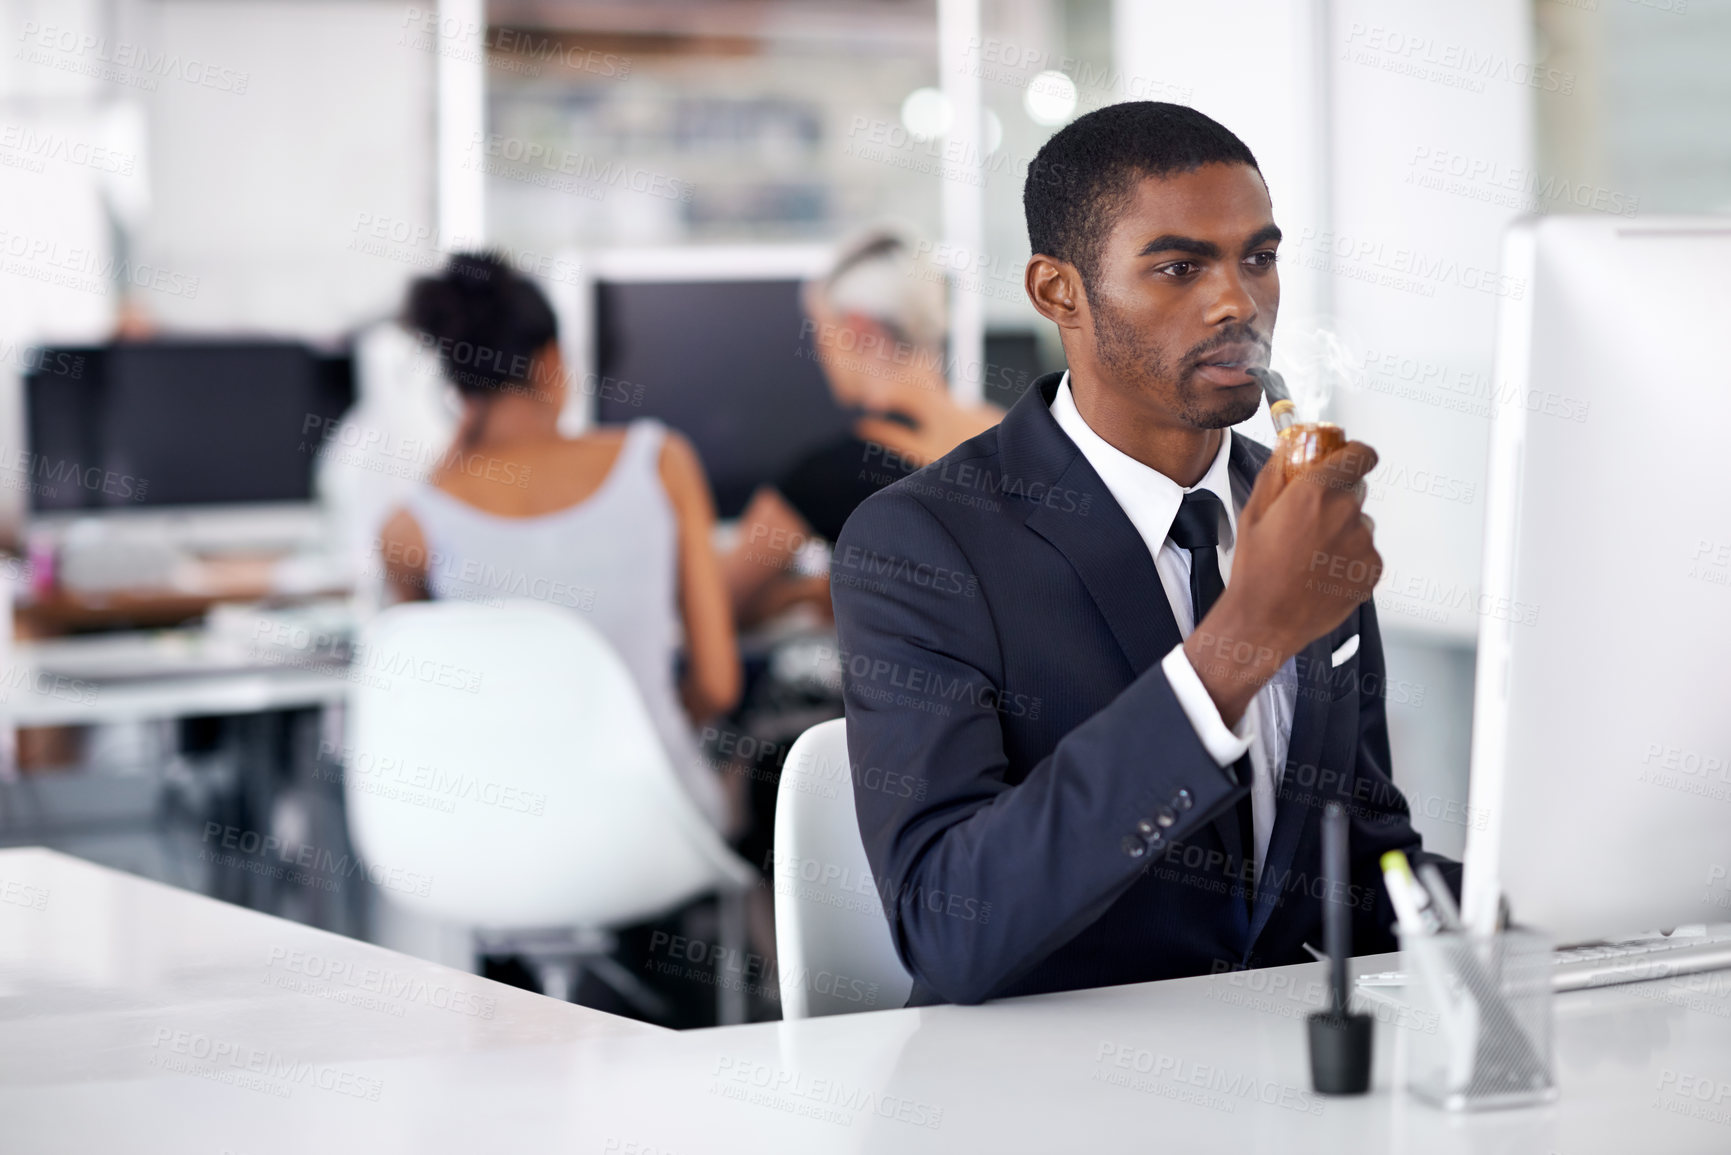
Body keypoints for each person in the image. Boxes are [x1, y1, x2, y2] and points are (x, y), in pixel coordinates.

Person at [830, 102, 1458, 1007]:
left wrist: (1545, 911)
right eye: (1177, 266)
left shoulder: (1292, 509)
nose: (1238, 301)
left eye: (1259, 257)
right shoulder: (922, 542)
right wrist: (1237, 644)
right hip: (1042, 1094)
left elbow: (1355, 856)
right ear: (1058, 293)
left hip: (1282, 1078)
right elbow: (949, 926)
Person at [378, 252, 741, 834]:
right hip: (654, 824)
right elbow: (718, 683)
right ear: (551, 363)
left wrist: (462, 436)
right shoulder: (660, 462)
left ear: (456, 385)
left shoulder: (412, 526)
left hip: (502, 838)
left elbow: (425, 704)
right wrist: (647, 733)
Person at [723, 228, 1004, 628]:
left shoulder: (836, 472)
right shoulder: (1016, 434)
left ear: (856, 328)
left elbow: (722, 606)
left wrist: (804, 592)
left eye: (822, 334)